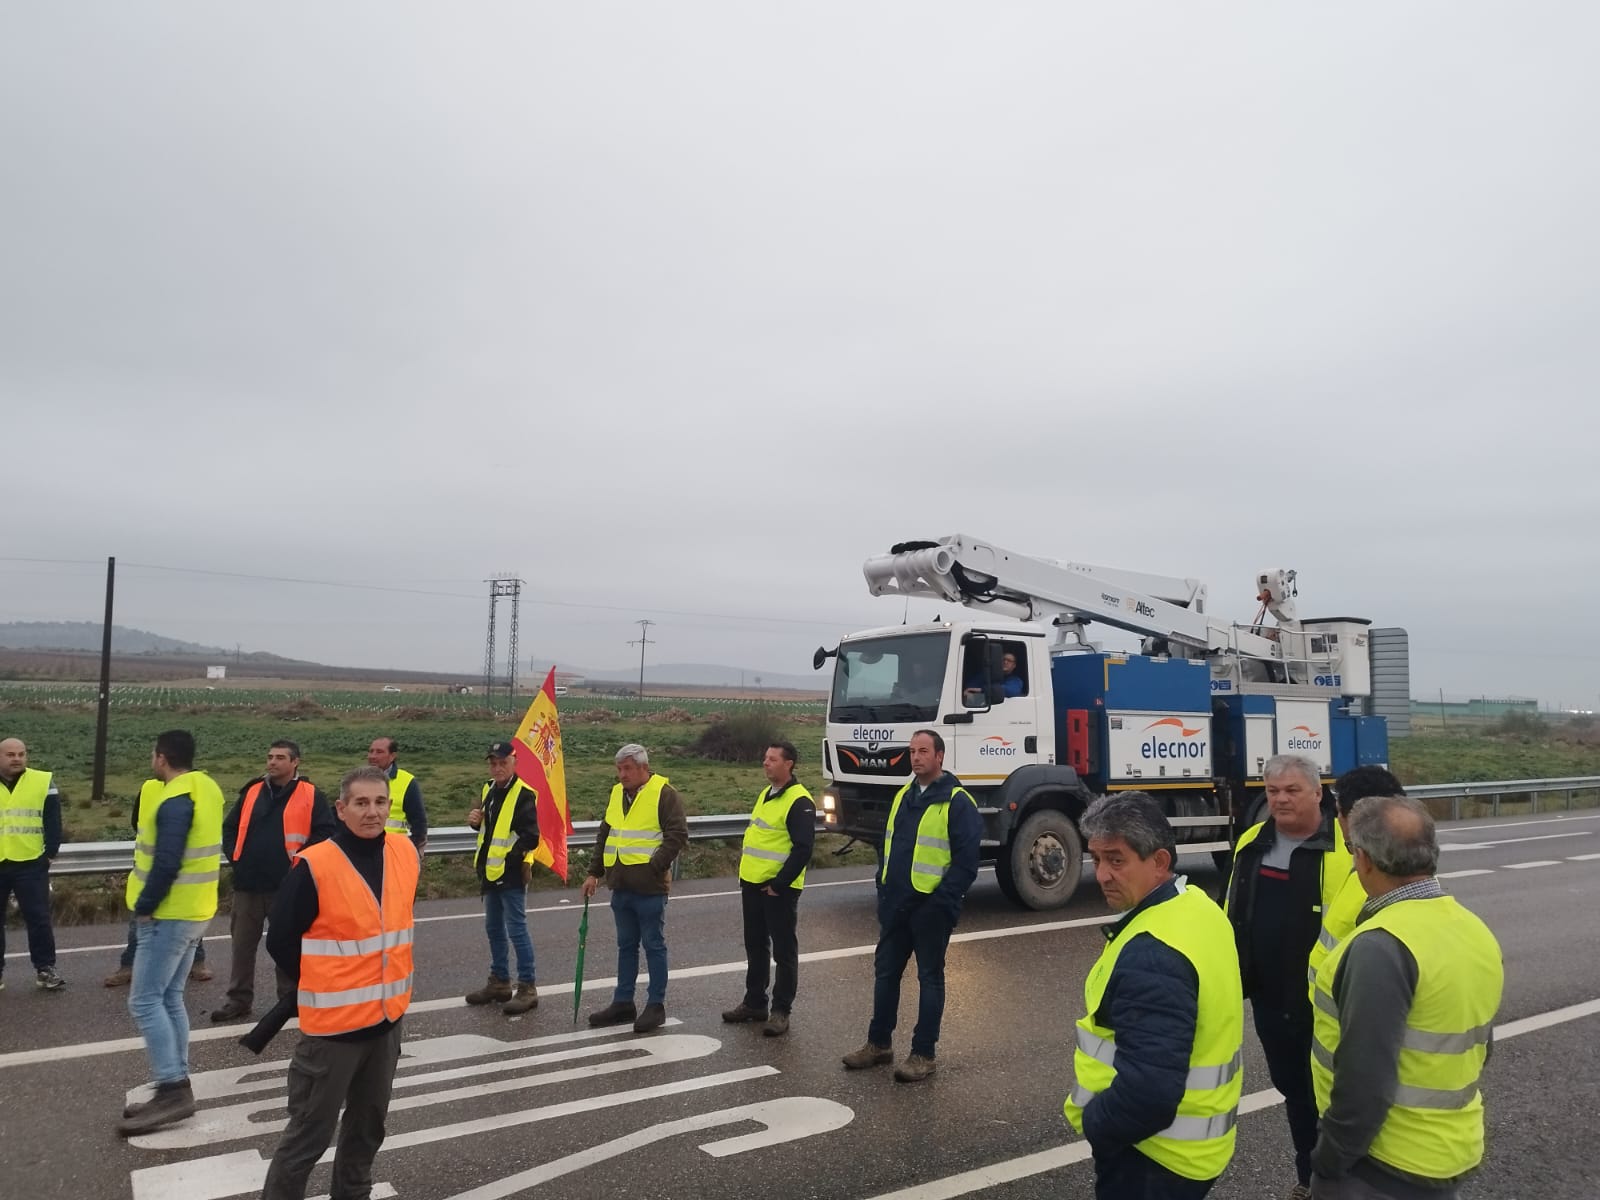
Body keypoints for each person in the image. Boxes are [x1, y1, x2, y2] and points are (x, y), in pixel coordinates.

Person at [1310, 795, 1504, 1199]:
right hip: (1449, 1146)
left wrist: (1329, 1159)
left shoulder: (1380, 947)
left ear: (1361, 859)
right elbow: (1480, 1047)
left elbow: (1364, 1081)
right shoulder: (1472, 929)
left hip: (1383, 1162)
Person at [1064, 792, 1244, 1199]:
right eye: (1097, 859)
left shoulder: (1153, 952)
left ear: (1159, 862)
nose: (1103, 875)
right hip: (1195, 1149)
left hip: (1154, 1157)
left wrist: (1098, 1126)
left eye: (1116, 859)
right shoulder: (1196, 905)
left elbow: (1150, 1093)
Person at [260, 765, 421, 1200]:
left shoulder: (405, 853)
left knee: (366, 1132)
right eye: (361, 803)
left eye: (380, 802)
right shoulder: (316, 864)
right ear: (342, 809)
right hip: (333, 1031)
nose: (372, 812)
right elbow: (280, 939)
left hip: (386, 1024)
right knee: (307, 1139)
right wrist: (321, 981)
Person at [1223, 753, 1351, 1200]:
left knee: (1335, 1099)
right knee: (1295, 1091)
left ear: (1318, 793)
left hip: (1327, 1001)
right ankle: (1309, 1180)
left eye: (1292, 790)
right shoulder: (1252, 842)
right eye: (1272, 791)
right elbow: (1233, 911)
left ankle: (1347, 1184)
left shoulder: (1344, 849)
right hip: (1270, 996)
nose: (1280, 799)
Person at [841, 728, 981, 1083]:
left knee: (929, 979)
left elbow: (966, 863)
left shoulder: (957, 801)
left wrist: (941, 903)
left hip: (930, 909)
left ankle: (923, 1053)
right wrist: (882, 887)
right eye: (912, 751)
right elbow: (888, 847)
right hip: (896, 903)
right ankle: (878, 1044)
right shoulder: (903, 794)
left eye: (923, 751)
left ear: (939, 757)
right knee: (885, 974)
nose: (916, 757)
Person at [117, 730, 226, 1136]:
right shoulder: (206, 788)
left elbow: (167, 860)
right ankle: (175, 1080)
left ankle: (173, 1088)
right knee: (170, 996)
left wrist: (145, 906)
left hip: (169, 914)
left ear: (161, 758)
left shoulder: (174, 799)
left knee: (144, 1001)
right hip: (196, 909)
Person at [213, 740, 335, 1022]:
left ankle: (290, 999)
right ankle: (238, 1000)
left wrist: (299, 864)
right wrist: (237, 857)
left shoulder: (311, 795)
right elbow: (230, 827)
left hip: (287, 885)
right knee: (242, 946)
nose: (272, 762)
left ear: (295, 762)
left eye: (280, 757)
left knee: (285, 944)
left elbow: (325, 832)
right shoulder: (252, 791)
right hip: (248, 884)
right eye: (270, 757)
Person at [582, 743, 689, 1034]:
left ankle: (656, 1005)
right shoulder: (617, 794)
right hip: (621, 886)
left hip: (650, 887)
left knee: (653, 945)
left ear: (643, 767)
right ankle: (623, 1002)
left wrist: (655, 866)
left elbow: (677, 834)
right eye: (619, 769)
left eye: (627, 768)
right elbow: (606, 833)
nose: (622, 774)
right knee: (626, 946)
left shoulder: (664, 794)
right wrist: (594, 872)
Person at [721, 740, 816, 1037]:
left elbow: (803, 849)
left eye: (772, 759)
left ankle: (780, 1010)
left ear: (788, 764)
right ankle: (754, 1003)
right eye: (765, 758)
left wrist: (779, 884)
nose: (766, 762)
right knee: (756, 946)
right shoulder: (767, 794)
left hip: (777, 889)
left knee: (784, 951)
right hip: (752, 885)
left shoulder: (799, 801)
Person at [1307, 767, 1405, 998]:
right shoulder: (1407, 866)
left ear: (1352, 816)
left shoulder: (1379, 883)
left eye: (1338, 812)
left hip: (1349, 1018)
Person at [105, 777, 211, 988]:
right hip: (150, 865)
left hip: (184, 866)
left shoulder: (197, 788)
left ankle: (196, 961)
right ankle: (129, 965)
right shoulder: (148, 787)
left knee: (187, 917)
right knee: (140, 918)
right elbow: (137, 821)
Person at [463, 741, 541, 1015]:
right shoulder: (489, 789)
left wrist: (511, 859)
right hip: (490, 872)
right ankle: (499, 982)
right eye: (493, 763)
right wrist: (476, 822)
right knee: (494, 928)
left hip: (510, 874)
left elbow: (531, 836)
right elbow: (493, 829)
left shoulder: (523, 794)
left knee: (517, 930)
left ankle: (527, 987)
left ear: (514, 762)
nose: (497, 768)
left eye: (502, 763)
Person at [0, 736, 65, 991]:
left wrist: (49, 853)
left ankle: (45, 969)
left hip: (30, 863)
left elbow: (53, 821)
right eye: (10, 754)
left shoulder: (42, 781)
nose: (17, 758)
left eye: (21, 754)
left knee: (38, 919)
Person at [367, 737, 428, 850]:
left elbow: (419, 824)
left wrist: (411, 852)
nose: (372, 756)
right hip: (363, 851)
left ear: (393, 756)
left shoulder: (407, 781)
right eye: (371, 751)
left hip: (395, 851)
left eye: (379, 752)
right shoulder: (357, 780)